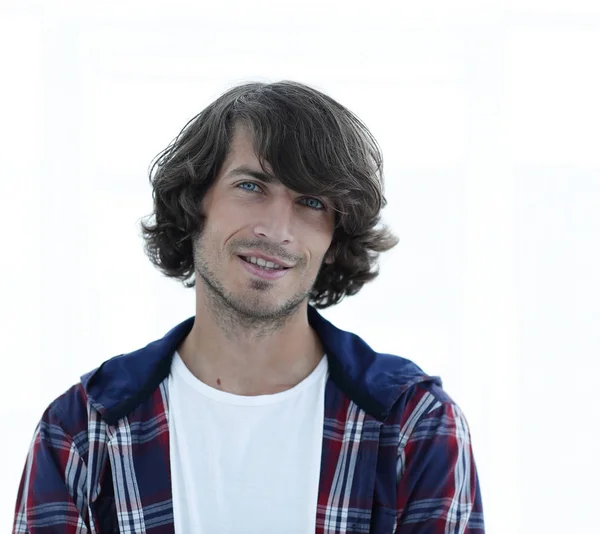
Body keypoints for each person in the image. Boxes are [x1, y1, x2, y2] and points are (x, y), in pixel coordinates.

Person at [12, 80, 485, 533]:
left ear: (335, 237)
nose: (277, 230)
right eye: (251, 186)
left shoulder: (412, 425)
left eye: (312, 202)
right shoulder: (83, 433)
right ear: (195, 201)